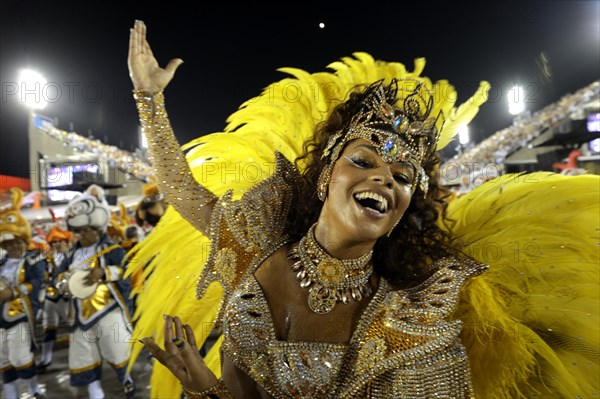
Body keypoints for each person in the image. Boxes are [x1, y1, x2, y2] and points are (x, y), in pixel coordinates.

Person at [127, 21, 599, 398]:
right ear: (328, 174)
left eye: (401, 177)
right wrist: (149, 99)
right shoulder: (253, 240)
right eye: (364, 160)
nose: (382, 179)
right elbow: (181, 188)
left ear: (405, 207)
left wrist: (206, 390)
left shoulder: (411, 327)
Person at [57, 184, 136, 398]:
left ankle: (126, 378)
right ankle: (95, 392)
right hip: (79, 315)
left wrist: (104, 272)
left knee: (117, 349)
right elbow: (57, 279)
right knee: (84, 356)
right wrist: (62, 283)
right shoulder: (70, 256)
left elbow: (127, 272)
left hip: (107, 308)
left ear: (97, 229)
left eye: (88, 230)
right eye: (80, 231)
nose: (84, 234)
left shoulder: (112, 250)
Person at [0, 188, 46, 399]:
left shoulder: (33, 259)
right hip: (0, 318)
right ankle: (11, 396)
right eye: (6, 243)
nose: (11, 246)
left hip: (20, 314)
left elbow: (37, 281)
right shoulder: (0, 262)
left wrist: (13, 291)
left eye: (14, 241)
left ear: (22, 239)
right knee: (3, 360)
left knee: (20, 357)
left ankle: (34, 390)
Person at [37, 225, 74, 371]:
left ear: (66, 242)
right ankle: (46, 360)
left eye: (60, 241)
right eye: (54, 242)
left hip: (67, 299)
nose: (57, 244)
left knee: (75, 330)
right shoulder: (46, 258)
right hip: (50, 298)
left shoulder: (74, 256)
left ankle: (81, 358)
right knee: (48, 330)